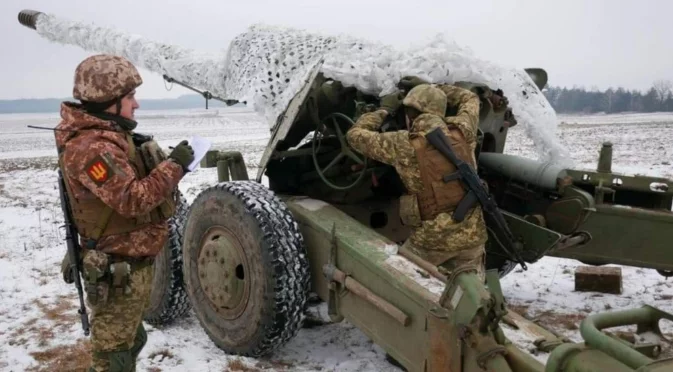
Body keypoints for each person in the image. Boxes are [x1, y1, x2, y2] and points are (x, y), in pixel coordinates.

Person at [56, 54, 194, 371]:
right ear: (108, 101)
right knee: (113, 359)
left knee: (131, 343)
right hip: (117, 270)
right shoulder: (93, 149)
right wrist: (175, 167)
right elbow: (133, 199)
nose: (136, 105)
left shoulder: (110, 137)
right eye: (130, 97)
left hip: (130, 267)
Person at [345, 78, 488, 279]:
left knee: (398, 283)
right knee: (468, 297)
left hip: (432, 240)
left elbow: (354, 136)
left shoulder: (403, 144)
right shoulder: (464, 130)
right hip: (474, 236)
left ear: (409, 117)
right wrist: (437, 89)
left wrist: (383, 110)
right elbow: (470, 98)